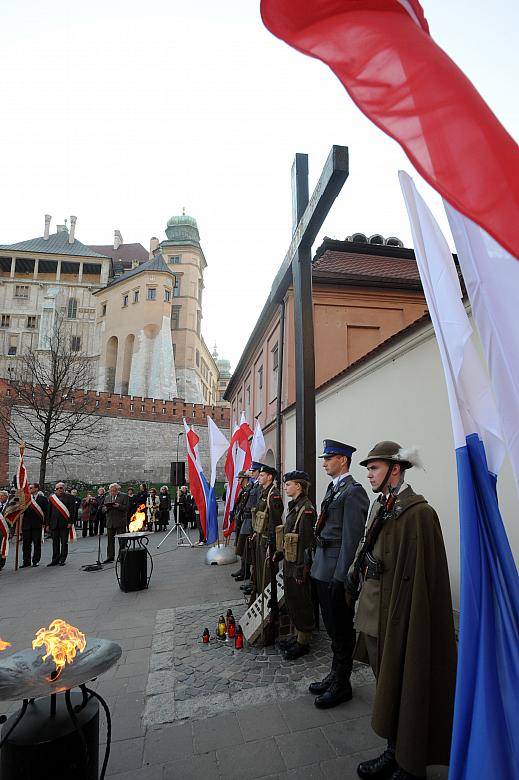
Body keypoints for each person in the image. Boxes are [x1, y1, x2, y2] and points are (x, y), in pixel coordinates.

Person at [351, 441, 457, 780]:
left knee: (405, 685)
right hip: (374, 614)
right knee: (387, 686)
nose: (368, 473)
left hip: (400, 618)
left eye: (375, 468)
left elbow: (424, 576)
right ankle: (394, 751)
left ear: (395, 470)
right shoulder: (379, 506)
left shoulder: (419, 513)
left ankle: (410, 761)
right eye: (368, 468)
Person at [309, 439, 369, 709]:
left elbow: (352, 538)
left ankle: (342, 683)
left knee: (342, 629)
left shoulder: (353, 492)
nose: (324, 463)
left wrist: (342, 576)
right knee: (331, 627)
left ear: (342, 460)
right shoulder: (334, 489)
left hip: (335, 569)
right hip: (323, 565)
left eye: (328, 458)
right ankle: (335, 674)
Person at [273, 470, 317, 660]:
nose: (286, 487)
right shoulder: (295, 507)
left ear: (299, 486)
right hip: (290, 564)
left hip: (298, 567)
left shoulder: (306, 510)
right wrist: (279, 553)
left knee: (302, 604)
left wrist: (301, 570)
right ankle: (297, 635)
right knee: (292, 601)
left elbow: (307, 544)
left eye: (289, 484)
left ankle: (303, 642)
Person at [251, 464, 283, 597]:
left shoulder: (273, 495)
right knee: (259, 569)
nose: (259, 477)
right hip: (260, 535)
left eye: (262, 475)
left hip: (267, 538)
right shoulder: (263, 491)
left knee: (267, 572)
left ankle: (268, 598)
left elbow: (274, 521)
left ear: (270, 477)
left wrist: (271, 543)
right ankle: (260, 595)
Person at [46, 482, 77, 567]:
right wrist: (47, 524)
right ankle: (55, 559)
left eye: (60, 488)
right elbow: (49, 511)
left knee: (64, 542)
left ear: (64, 488)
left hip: (65, 523)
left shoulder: (70, 497)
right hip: (54, 523)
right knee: (55, 543)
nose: (59, 490)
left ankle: (62, 559)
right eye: (57, 488)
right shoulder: (52, 498)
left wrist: (70, 522)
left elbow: (72, 511)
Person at [231, 471, 253, 581]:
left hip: (247, 522)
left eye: (239, 478)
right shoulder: (244, 490)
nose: (238, 480)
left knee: (244, 547)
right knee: (241, 546)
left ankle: (246, 571)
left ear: (244, 478)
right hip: (242, 521)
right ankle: (243, 569)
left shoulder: (250, 489)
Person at [20, 483, 48, 568]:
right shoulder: (26, 499)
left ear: (36, 489)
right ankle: (26, 561)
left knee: (37, 544)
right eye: (29, 488)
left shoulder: (43, 499)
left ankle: (35, 561)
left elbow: (46, 512)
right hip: (26, 525)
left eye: (31, 488)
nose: (29, 489)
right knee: (26, 544)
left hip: (37, 525)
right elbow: (21, 511)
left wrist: (45, 523)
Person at [103, 483, 129, 562]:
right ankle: (110, 557)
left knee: (122, 540)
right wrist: (105, 509)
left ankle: (122, 556)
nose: (112, 492)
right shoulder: (107, 497)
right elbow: (103, 509)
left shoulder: (124, 496)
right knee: (110, 541)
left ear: (118, 490)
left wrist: (119, 506)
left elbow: (127, 508)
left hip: (120, 521)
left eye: (114, 491)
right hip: (110, 522)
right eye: (111, 491)